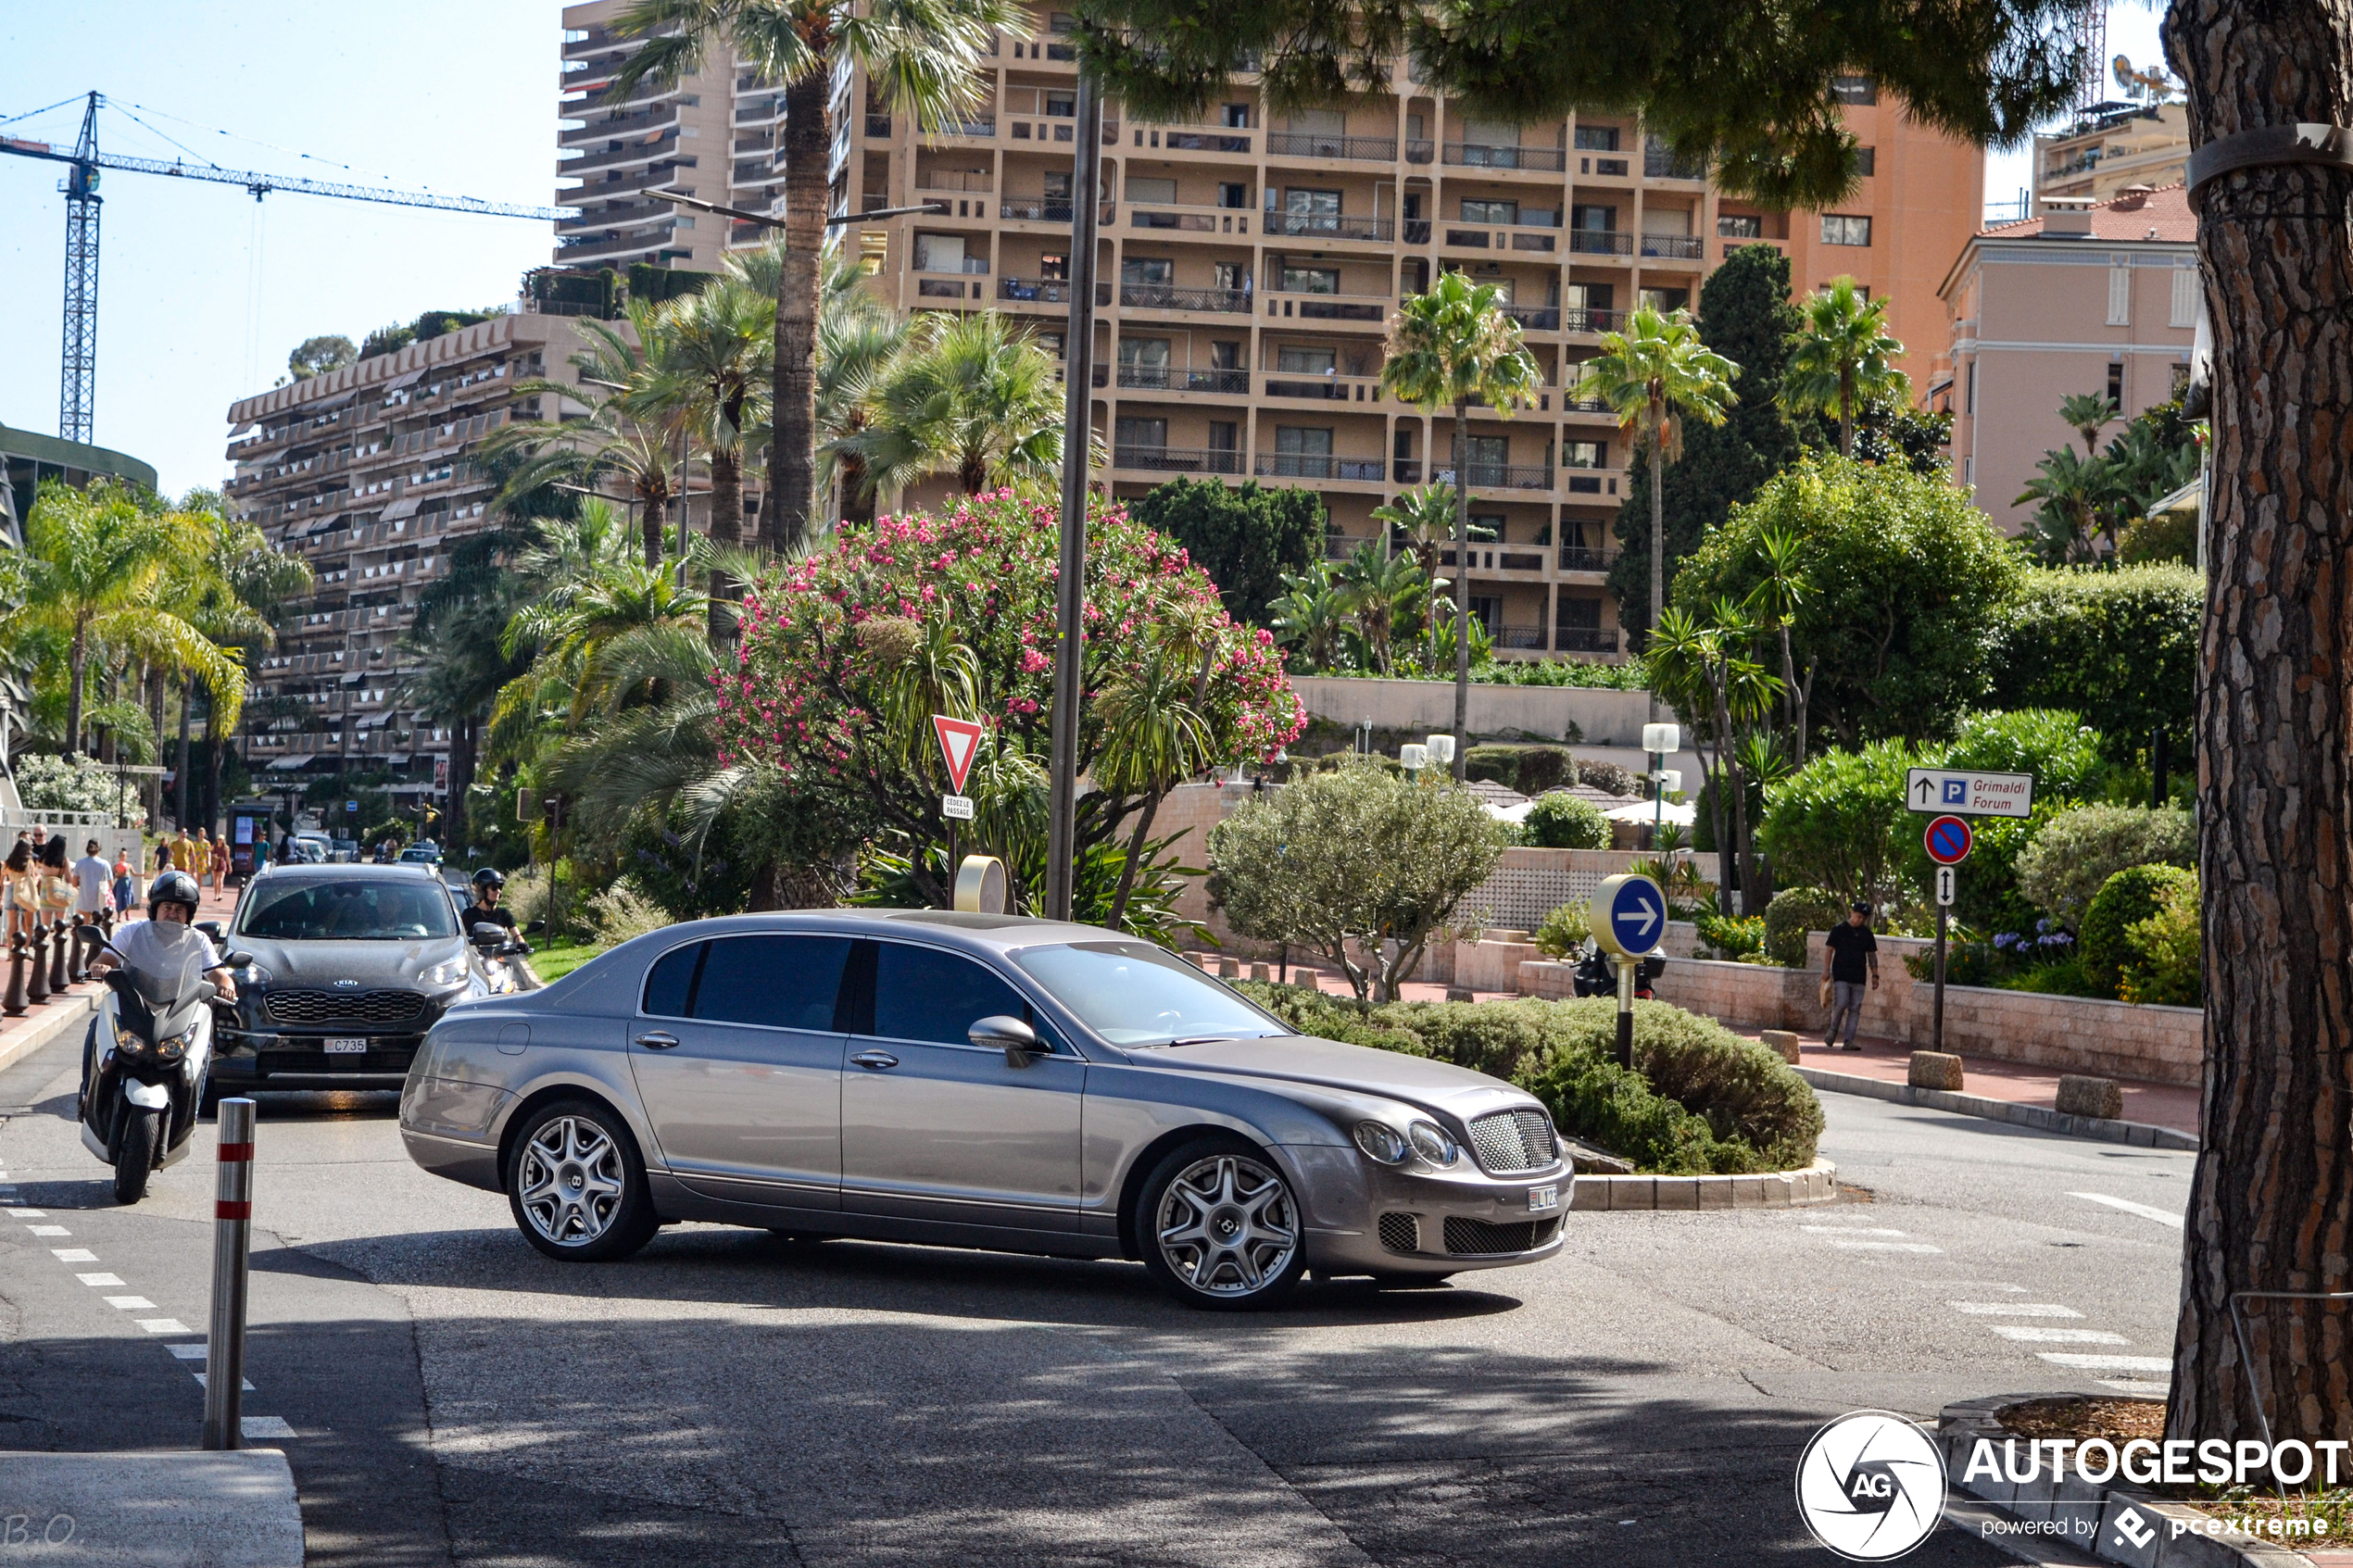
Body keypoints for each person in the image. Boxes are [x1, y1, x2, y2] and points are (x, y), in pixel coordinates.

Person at [1821, 901, 1880, 1052]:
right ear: (1852, 912)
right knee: (1841, 1003)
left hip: (1859, 976)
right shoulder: (1839, 930)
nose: (1860, 920)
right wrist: (1826, 971)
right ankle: (1833, 1030)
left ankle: (1849, 1040)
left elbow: (1871, 955)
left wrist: (1875, 975)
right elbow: (1829, 950)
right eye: (1858, 916)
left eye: (1863, 918)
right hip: (1841, 974)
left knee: (1855, 1008)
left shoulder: (1867, 933)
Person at [70, 839, 111, 977]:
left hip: (84, 898)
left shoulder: (80, 863)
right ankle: (94, 956)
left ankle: (80, 952)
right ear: (99, 849)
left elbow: (74, 883)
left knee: (82, 928)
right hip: (99, 900)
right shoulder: (104, 864)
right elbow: (110, 883)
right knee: (97, 928)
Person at [465, 867, 525, 949]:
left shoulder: (504, 913)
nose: (498, 891)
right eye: (494, 888)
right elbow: (461, 938)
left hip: (499, 956)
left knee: (512, 962)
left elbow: (517, 935)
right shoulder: (468, 914)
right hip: (476, 958)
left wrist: (521, 943)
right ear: (481, 890)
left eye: (500, 887)